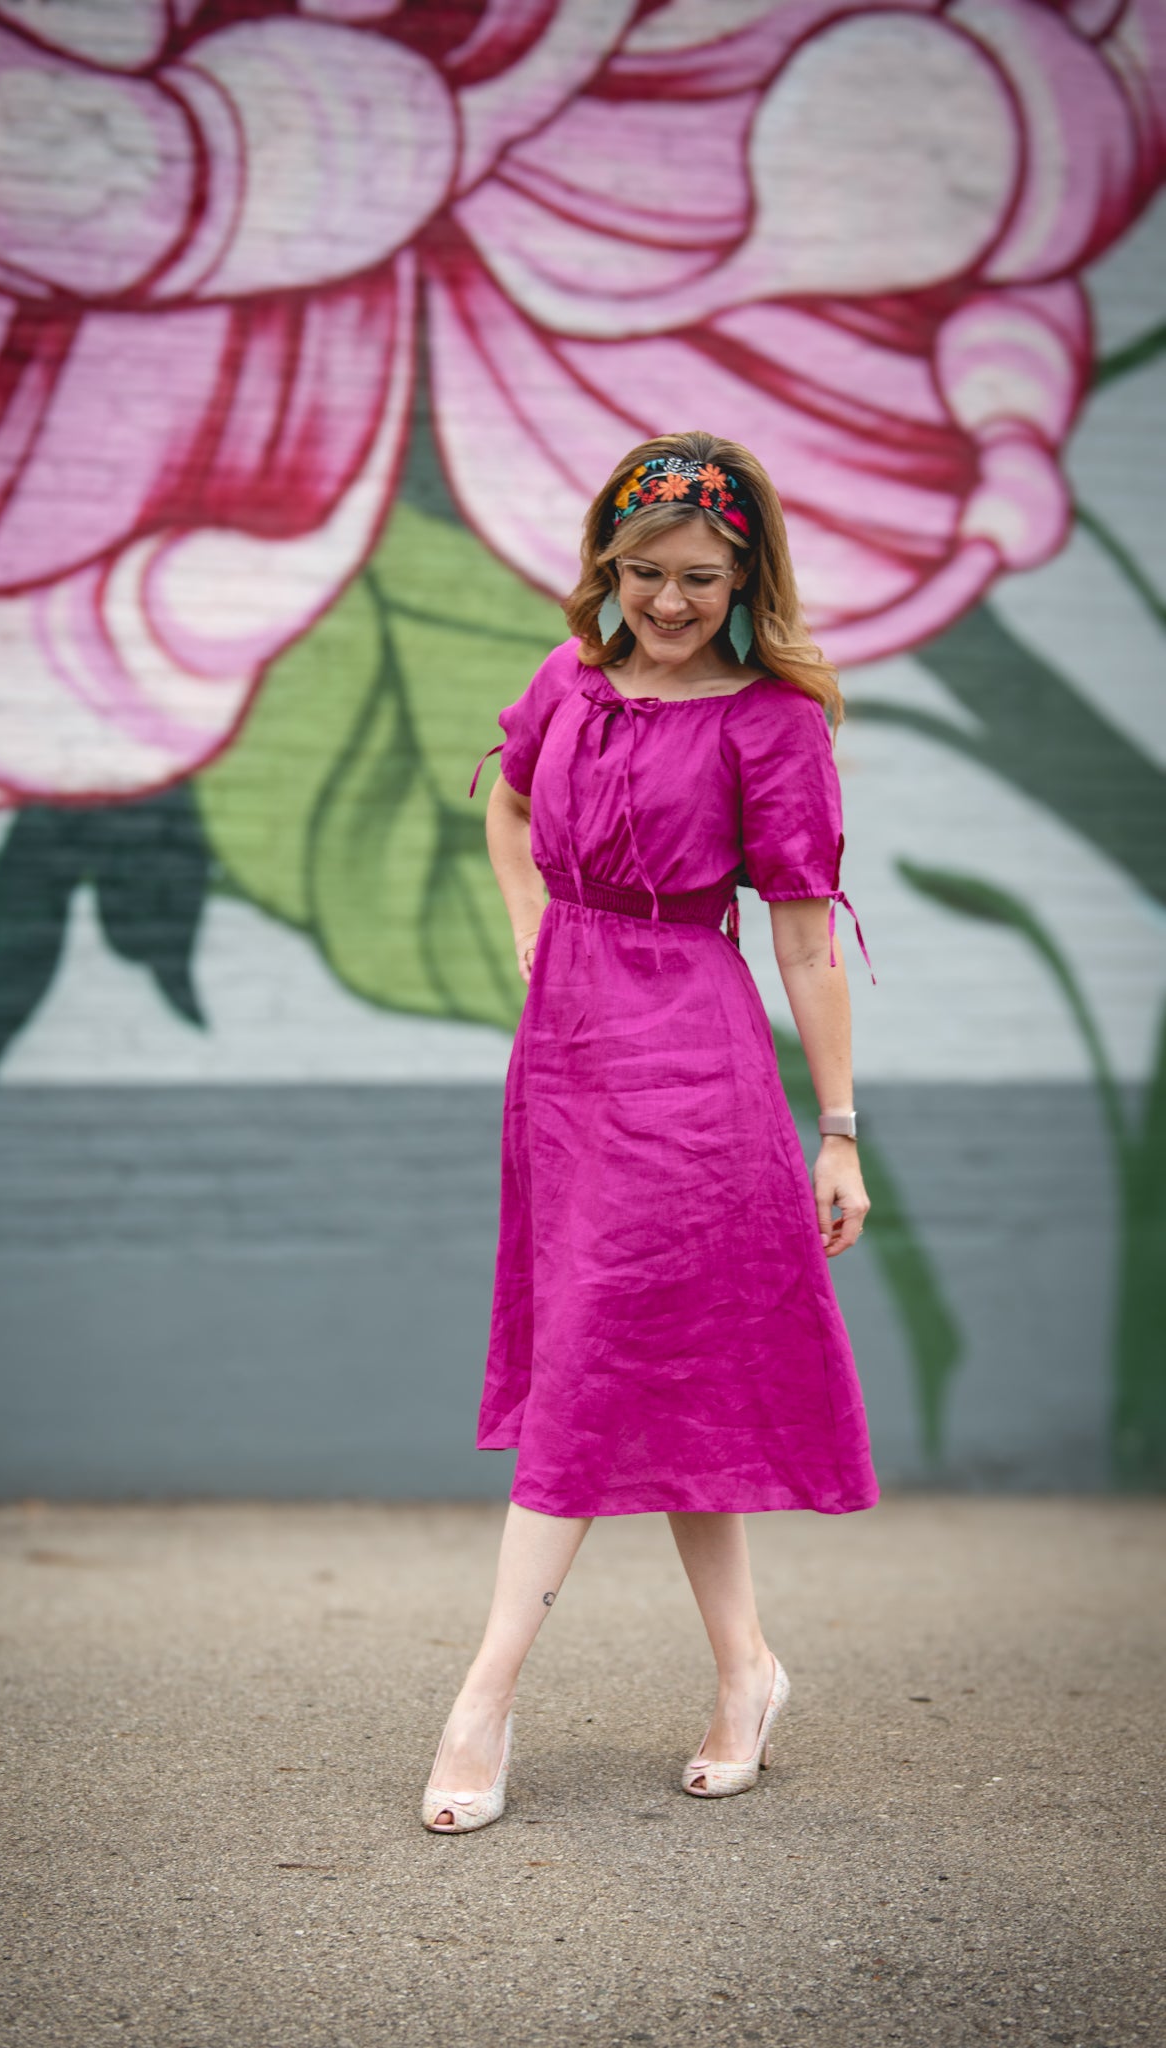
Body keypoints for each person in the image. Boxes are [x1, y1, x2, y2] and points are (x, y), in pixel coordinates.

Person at [421, 431, 880, 1835]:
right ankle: (748, 1672)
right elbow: (504, 801)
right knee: (662, 1382)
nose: (668, 603)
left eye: (697, 577)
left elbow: (803, 943)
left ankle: (482, 1698)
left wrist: (841, 1132)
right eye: (642, 573)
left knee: (592, 1368)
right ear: (604, 566)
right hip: (563, 1062)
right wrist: (527, 930)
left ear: (747, 573)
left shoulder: (773, 721)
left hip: (694, 1072)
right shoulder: (568, 679)